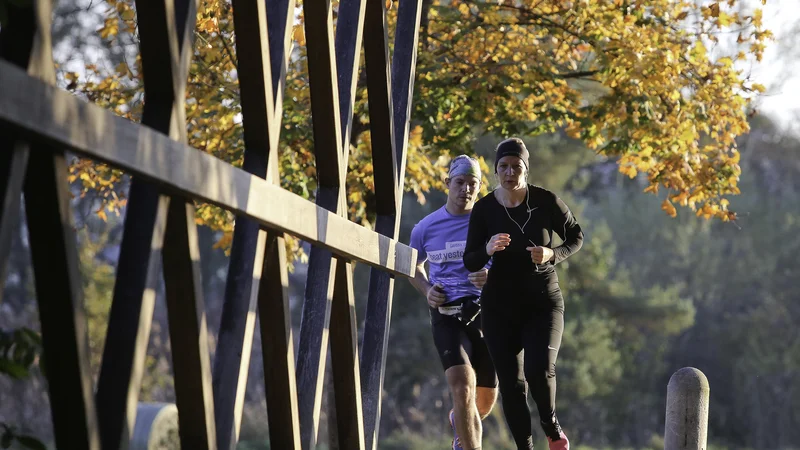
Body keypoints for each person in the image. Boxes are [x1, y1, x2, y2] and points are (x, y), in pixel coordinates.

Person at [462, 138, 584, 450]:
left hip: (542, 301)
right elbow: (470, 259)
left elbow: (576, 236)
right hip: (500, 308)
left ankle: (550, 425)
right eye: (503, 166)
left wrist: (551, 254)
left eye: (516, 166)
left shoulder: (546, 202)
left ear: (526, 170)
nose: (509, 172)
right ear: (495, 170)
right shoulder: (484, 209)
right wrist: (487, 248)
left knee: (538, 370)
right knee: (513, 387)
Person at [409, 155, 498, 450]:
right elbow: (412, 267)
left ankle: (459, 422)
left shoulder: (489, 224)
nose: (466, 190)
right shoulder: (425, 228)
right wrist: (426, 289)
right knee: (462, 384)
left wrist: (490, 276)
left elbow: (511, 265)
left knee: (482, 402)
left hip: (486, 313)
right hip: (447, 313)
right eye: (460, 183)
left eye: (473, 184)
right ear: (448, 183)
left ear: (480, 187)